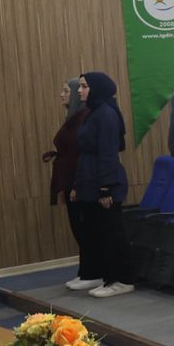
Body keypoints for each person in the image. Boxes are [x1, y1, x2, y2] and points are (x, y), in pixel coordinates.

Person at [71, 72, 138, 299]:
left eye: (84, 86)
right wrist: (78, 185)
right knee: (96, 231)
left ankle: (122, 279)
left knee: (112, 234)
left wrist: (106, 188)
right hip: (89, 178)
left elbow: (108, 152)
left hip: (105, 180)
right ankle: (103, 274)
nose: (79, 91)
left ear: (97, 88)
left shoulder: (107, 114)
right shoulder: (93, 112)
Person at [51, 79, 93, 290]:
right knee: (78, 227)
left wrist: (76, 184)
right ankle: (85, 270)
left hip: (80, 179)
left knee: (85, 229)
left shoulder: (83, 117)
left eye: (66, 90)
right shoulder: (72, 117)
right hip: (69, 178)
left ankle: (92, 271)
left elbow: (80, 154)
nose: (62, 94)